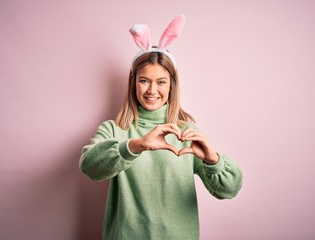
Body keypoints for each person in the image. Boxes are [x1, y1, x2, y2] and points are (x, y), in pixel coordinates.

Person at [79, 15, 243, 240]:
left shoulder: (186, 131)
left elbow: (229, 190)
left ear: (172, 86)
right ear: (133, 83)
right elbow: (89, 167)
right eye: (144, 80)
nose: (152, 90)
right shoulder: (115, 129)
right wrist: (136, 145)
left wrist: (212, 160)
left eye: (161, 82)